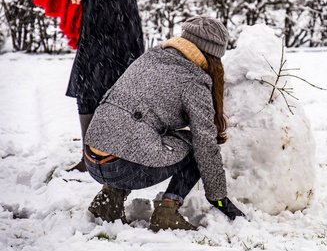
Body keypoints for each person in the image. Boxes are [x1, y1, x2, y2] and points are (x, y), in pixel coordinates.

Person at [83, 16, 245, 231]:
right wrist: (219, 199)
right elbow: (206, 143)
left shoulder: (150, 57)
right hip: (124, 168)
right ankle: (167, 210)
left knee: (129, 132)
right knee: (198, 146)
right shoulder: (194, 80)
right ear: (213, 55)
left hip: (91, 159)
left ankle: (110, 199)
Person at [21, 0, 144, 172]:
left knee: (117, 92)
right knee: (86, 88)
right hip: (94, 25)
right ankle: (91, 158)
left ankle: (118, 159)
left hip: (118, 26)